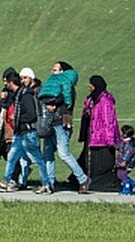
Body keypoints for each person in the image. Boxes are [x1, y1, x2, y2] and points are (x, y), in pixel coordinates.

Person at [0, 70, 52, 193]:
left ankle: (46, 184)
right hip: (20, 133)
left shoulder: (26, 96)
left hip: (28, 133)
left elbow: (32, 115)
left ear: (11, 82)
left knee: (38, 159)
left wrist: (17, 118)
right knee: (12, 157)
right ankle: (6, 181)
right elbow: (6, 105)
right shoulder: (17, 94)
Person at [38, 61, 89, 193]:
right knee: (48, 154)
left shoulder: (68, 86)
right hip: (50, 122)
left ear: (63, 72)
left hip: (62, 123)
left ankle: (82, 178)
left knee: (63, 153)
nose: (52, 72)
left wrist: (52, 103)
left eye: (55, 70)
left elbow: (64, 100)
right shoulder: (53, 85)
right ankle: (49, 182)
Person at [79, 74, 122, 191]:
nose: (88, 86)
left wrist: (110, 139)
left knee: (103, 161)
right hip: (92, 135)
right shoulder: (91, 99)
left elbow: (109, 120)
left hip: (102, 137)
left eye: (91, 84)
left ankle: (103, 183)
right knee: (90, 160)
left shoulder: (106, 100)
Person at [117, 125, 135, 195]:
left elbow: (128, 153)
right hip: (122, 161)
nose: (120, 132)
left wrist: (125, 161)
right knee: (120, 175)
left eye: (121, 131)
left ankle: (127, 189)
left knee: (123, 175)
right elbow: (119, 147)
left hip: (127, 163)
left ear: (125, 134)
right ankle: (132, 183)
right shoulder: (124, 142)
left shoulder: (130, 144)